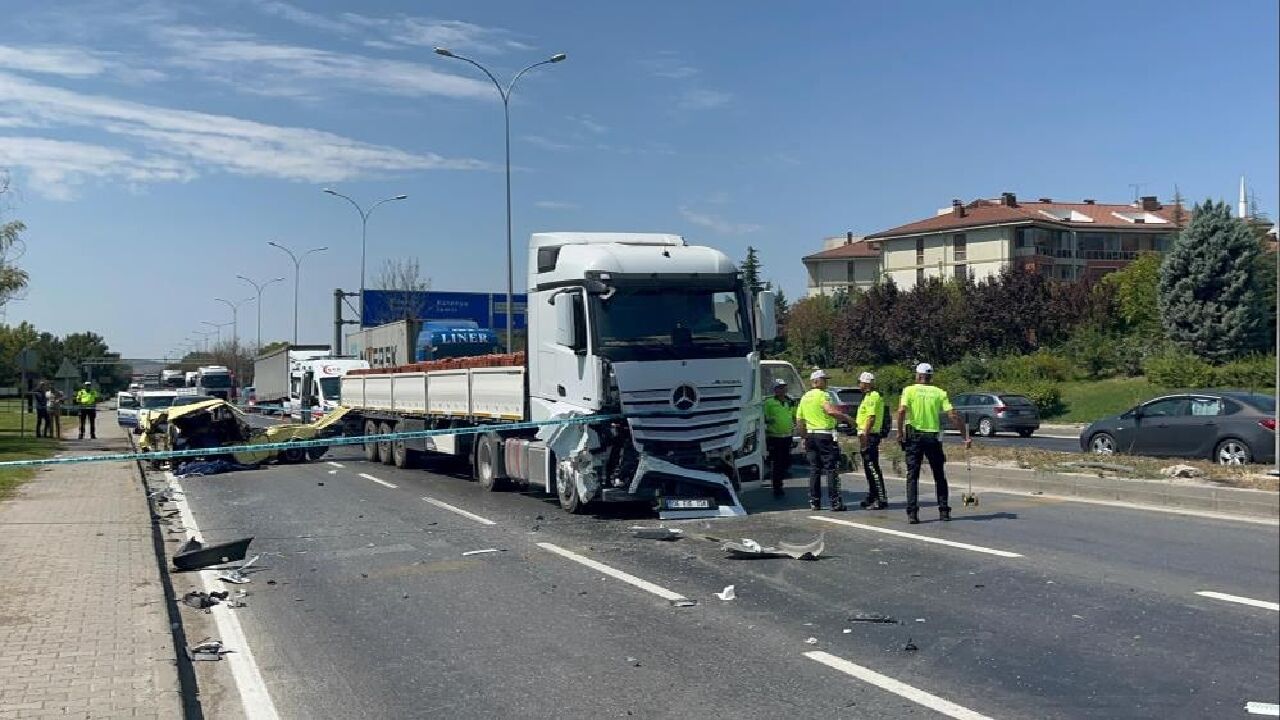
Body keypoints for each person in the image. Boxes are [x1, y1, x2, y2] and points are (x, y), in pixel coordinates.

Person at [895, 363, 970, 524]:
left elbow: (901, 411)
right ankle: (944, 511)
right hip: (933, 437)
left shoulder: (909, 390)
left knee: (912, 475)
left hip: (914, 435)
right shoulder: (939, 392)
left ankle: (913, 513)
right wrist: (965, 436)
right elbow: (953, 415)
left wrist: (900, 431)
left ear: (917, 376)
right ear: (931, 377)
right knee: (939, 474)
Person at [795, 369, 854, 511]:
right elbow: (830, 411)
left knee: (815, 469)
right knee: (831, 468)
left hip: (810, 435)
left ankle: (815, 502)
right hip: (825, 435)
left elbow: (799, 420)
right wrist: (847, 418)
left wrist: (804, 436)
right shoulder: (823, 395)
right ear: (815, 381)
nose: (826, 382)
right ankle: (835, 502)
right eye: (824, 379)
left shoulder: (805, 397)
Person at [855, 371, 888, 510]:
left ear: (865, 383)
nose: (859, 385)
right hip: (866, 435)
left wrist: (865, 436)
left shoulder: (873, 397)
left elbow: (871, 417)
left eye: (860, 382)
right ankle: (872, 495)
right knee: (869, 468)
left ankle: (881, 498)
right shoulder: (867, 396)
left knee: (873, 468)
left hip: (869, 436)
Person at [762, 378, 796, 497]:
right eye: (779, 388)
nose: (782, 390)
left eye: (783, 387)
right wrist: (769, 420)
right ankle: (777, 487)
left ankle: (780, 477)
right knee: (777, 462)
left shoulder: (789, 401)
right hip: (774, 437)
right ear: (775, 389)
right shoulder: (769, 402)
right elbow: (763, 417)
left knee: (786, 461)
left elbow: (794, 415)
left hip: (787, 436)